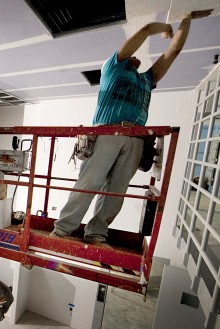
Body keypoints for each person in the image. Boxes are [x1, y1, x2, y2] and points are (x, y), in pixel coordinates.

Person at [51, 10, 213, 245]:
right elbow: (144, 32)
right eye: (131, 56)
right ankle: (63, 229)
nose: (136, 58)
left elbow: (173, 52)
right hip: (109, 131)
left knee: (117, 190)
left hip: (136, 138)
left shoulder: (146, 79)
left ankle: (97, 232)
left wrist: (186, 20)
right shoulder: (112, 69)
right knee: (89, 183)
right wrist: (164, 27)